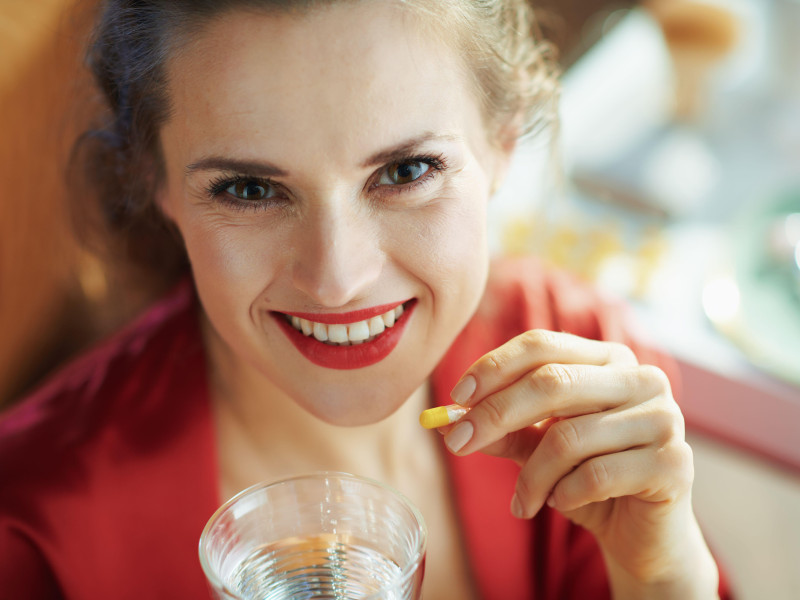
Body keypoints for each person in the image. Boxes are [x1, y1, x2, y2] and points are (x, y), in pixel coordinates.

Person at [0, 1, 732, 598]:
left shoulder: (576, 376)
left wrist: (664, 577)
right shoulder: (34, 530)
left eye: (406, 170)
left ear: (503, 144)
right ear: (155, 181)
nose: (337, 278)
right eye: (250, 189)